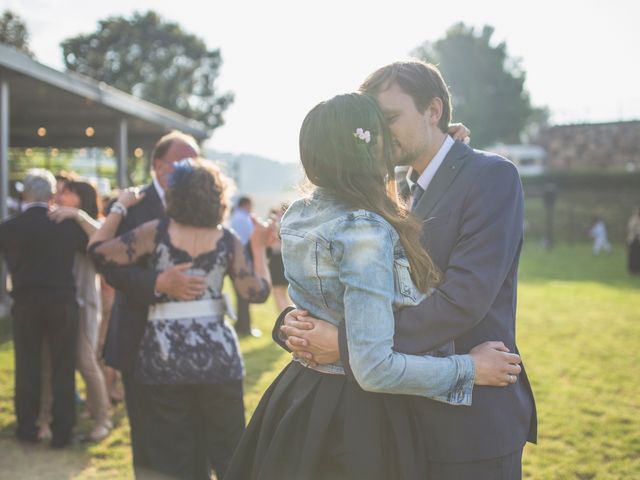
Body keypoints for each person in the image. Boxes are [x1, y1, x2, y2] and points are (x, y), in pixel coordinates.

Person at [224, 93, 522, 480]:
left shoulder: (299, 212)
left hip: (301, 396)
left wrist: (442, 147)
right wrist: (470, 369)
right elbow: (375, 369)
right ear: (367, 149)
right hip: (357, 417)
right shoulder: (363, 228)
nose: (390, 137)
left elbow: (325, 296)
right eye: (382, 130)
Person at [89, 159, 271, 480]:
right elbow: (256, 292)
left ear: (175, 195)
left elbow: (98, 251)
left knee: (172, 458)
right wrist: (258, 248)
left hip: (163, 359)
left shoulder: (154, 233)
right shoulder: (227, 240)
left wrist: (118, 208)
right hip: (219, 360)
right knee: (231, 454)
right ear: (218, 197)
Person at [99, 131, 208, 476]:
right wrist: (156, 283)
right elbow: (109, 264)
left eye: (197, 162)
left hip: (193, 338)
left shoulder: (204, 201)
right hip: (140, 332)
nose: (193, 169)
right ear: (159, 167)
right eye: (185, 162)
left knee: (194, 428)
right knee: (147, 436)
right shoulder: (132, 205)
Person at [0, 169, 88, 448]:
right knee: (63, 367)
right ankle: (62, 432)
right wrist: (78, 216)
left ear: (25, 194)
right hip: (61, 301)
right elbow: (96, 244)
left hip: (26, 302)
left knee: (27, 364)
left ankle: (27, 427)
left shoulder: (10, 227)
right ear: (52, 195)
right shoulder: (65, 225)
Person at [37, 180, 112, 442]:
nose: (59, 196)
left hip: (83, 302)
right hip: (56, 302)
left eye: (66, 192)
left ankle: (103, 419)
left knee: (85, 361)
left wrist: (78, 216)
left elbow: (105, 240)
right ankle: (44, 419)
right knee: (47, 360)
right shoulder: (55, 220)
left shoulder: (90, 223)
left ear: (82, 198)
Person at [229, 195, 261, 337]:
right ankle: (245, 327)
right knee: (245, 294)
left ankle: (240, 324)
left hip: (233, 260)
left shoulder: (234, 217)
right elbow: (252, 238)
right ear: (246, 204)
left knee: (239, 294)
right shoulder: (245, 219)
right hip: (243, 260)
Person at [266, 203, 290, 312]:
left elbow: (271, 244)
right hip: (286, 260)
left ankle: (284, 321)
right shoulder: (292, 224)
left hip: (277, 261)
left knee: (278, 293)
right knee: (283, 294)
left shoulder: (278, 224)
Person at [627, 207, 640, 274]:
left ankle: (637, 269)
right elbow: (630, 228)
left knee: (638, 255)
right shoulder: (632, 219)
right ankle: (631, 269)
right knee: (632, 255)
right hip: (632, 240)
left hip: (638, 240)